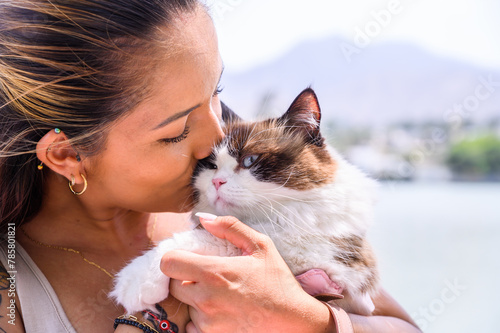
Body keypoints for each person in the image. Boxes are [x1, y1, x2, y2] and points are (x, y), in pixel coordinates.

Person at [0, 1, 421, 332]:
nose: (216, 135)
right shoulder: (13, 285)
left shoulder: (241, 196)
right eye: (178, 130)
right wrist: (155, 320)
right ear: (68, 156)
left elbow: (405, 327)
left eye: (214, 91)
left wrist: (311, 322)